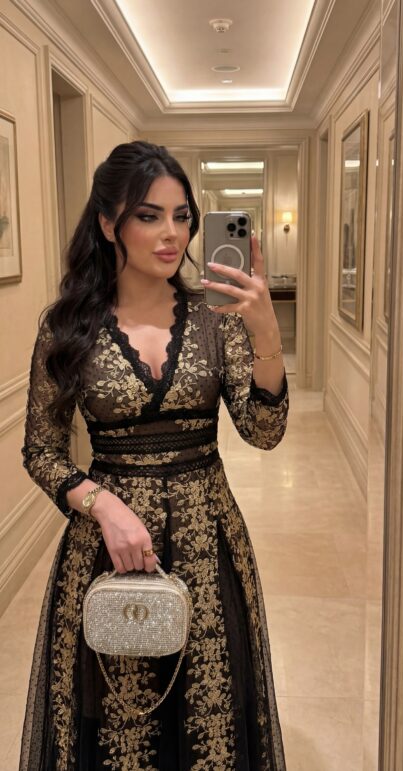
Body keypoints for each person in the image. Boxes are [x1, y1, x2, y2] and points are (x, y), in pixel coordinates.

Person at [19, 140, 289, 771]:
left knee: (210, 718)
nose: (172, 234)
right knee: (119, 722)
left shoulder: (217, 320)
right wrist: (103, 505)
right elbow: (41, 450)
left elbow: (263, 431)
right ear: (109, 223)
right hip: (108, 551)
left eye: (182, 216)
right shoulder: (67, 327)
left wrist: (266, 332)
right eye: (149, 215)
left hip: (209, 543)